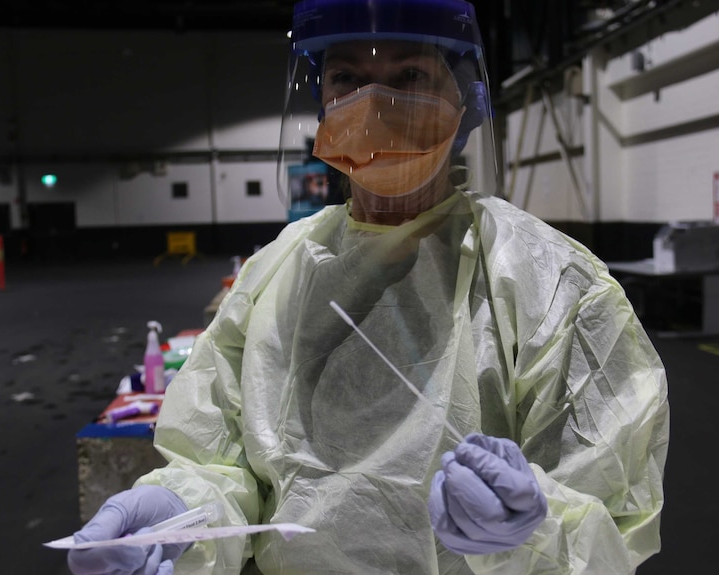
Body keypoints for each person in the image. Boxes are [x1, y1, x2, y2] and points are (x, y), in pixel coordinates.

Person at [68, 1, 669, 574]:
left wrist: (529, 531)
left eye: (409, 74)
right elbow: (222, 464)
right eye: (346, 79)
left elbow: (609, 524)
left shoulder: (554, 286)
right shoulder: (277, 273)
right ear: (321, 100)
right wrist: (182, 515)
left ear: (469, 99)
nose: (373, 104)